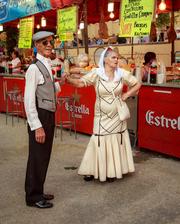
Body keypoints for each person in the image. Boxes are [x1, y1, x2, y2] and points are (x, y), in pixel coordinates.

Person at [67, 47, 141, 182]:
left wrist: (127, 94)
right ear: (105, 59)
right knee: (99, 139)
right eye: (113, 57)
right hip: (101, 116)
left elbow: (137, 84)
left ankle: (113, 170)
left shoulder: (122, 73)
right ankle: (93, 169)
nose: (116, 60)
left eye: (117, 57)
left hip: (118, 116)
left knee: (116, 140)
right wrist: (68, 79)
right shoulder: (96, 73)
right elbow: (80, 83)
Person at [24, 31, 65, 208]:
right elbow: (28, 100)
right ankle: (33, 197)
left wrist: (60, 82)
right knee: (37, 156)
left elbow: (47, 88)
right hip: (40, 116)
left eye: (51, 41)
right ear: (36, 46)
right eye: (45, 42)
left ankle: (38, 190)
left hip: (48, 113)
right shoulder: (33, 68)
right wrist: (36, 126)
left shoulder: (46, 64)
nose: (49, 45)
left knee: (44, 156)